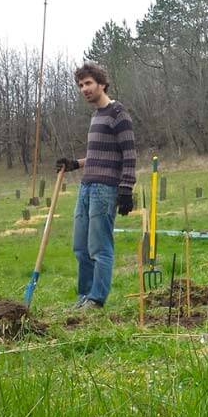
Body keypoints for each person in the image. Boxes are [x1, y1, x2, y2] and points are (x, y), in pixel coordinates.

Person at [56, 62, 136, 308]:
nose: (84, 89)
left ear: (101, 84)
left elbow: (129, 154)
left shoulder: (117, 113)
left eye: (88, 83)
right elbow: (98, 155)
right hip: (87, 186)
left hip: (105, 189)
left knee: (99, 247)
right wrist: (74, 164)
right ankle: (83, 296)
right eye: (81, 85)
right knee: (80, 247)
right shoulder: (96, 116)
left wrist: (126, 189)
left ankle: (97, 299)